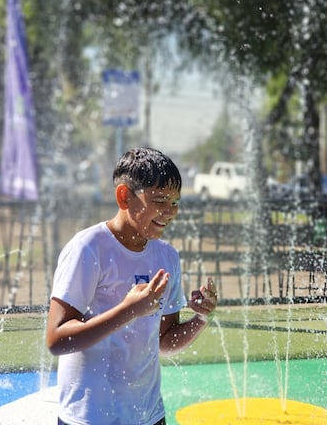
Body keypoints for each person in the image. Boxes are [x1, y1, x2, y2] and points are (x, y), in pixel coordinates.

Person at [46, 147, 218, 425]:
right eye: (160, 199)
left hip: (148, 416)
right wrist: (128, 310)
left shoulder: (166, 256)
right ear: (124, 196)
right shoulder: (89, 249)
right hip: (90, 417)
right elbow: (56, 340)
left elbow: (164, 342)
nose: (169, 212)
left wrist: (200, 318)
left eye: (175, 202)